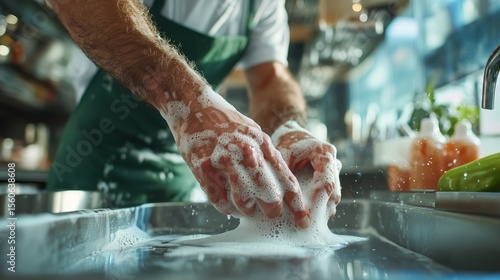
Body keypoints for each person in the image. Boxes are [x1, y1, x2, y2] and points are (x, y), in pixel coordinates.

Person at [46, 0, 341, 229]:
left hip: (183, 182)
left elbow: (270, 77)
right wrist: (189, 101)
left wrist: (288, 127)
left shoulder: (264, 5)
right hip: (94, 167)